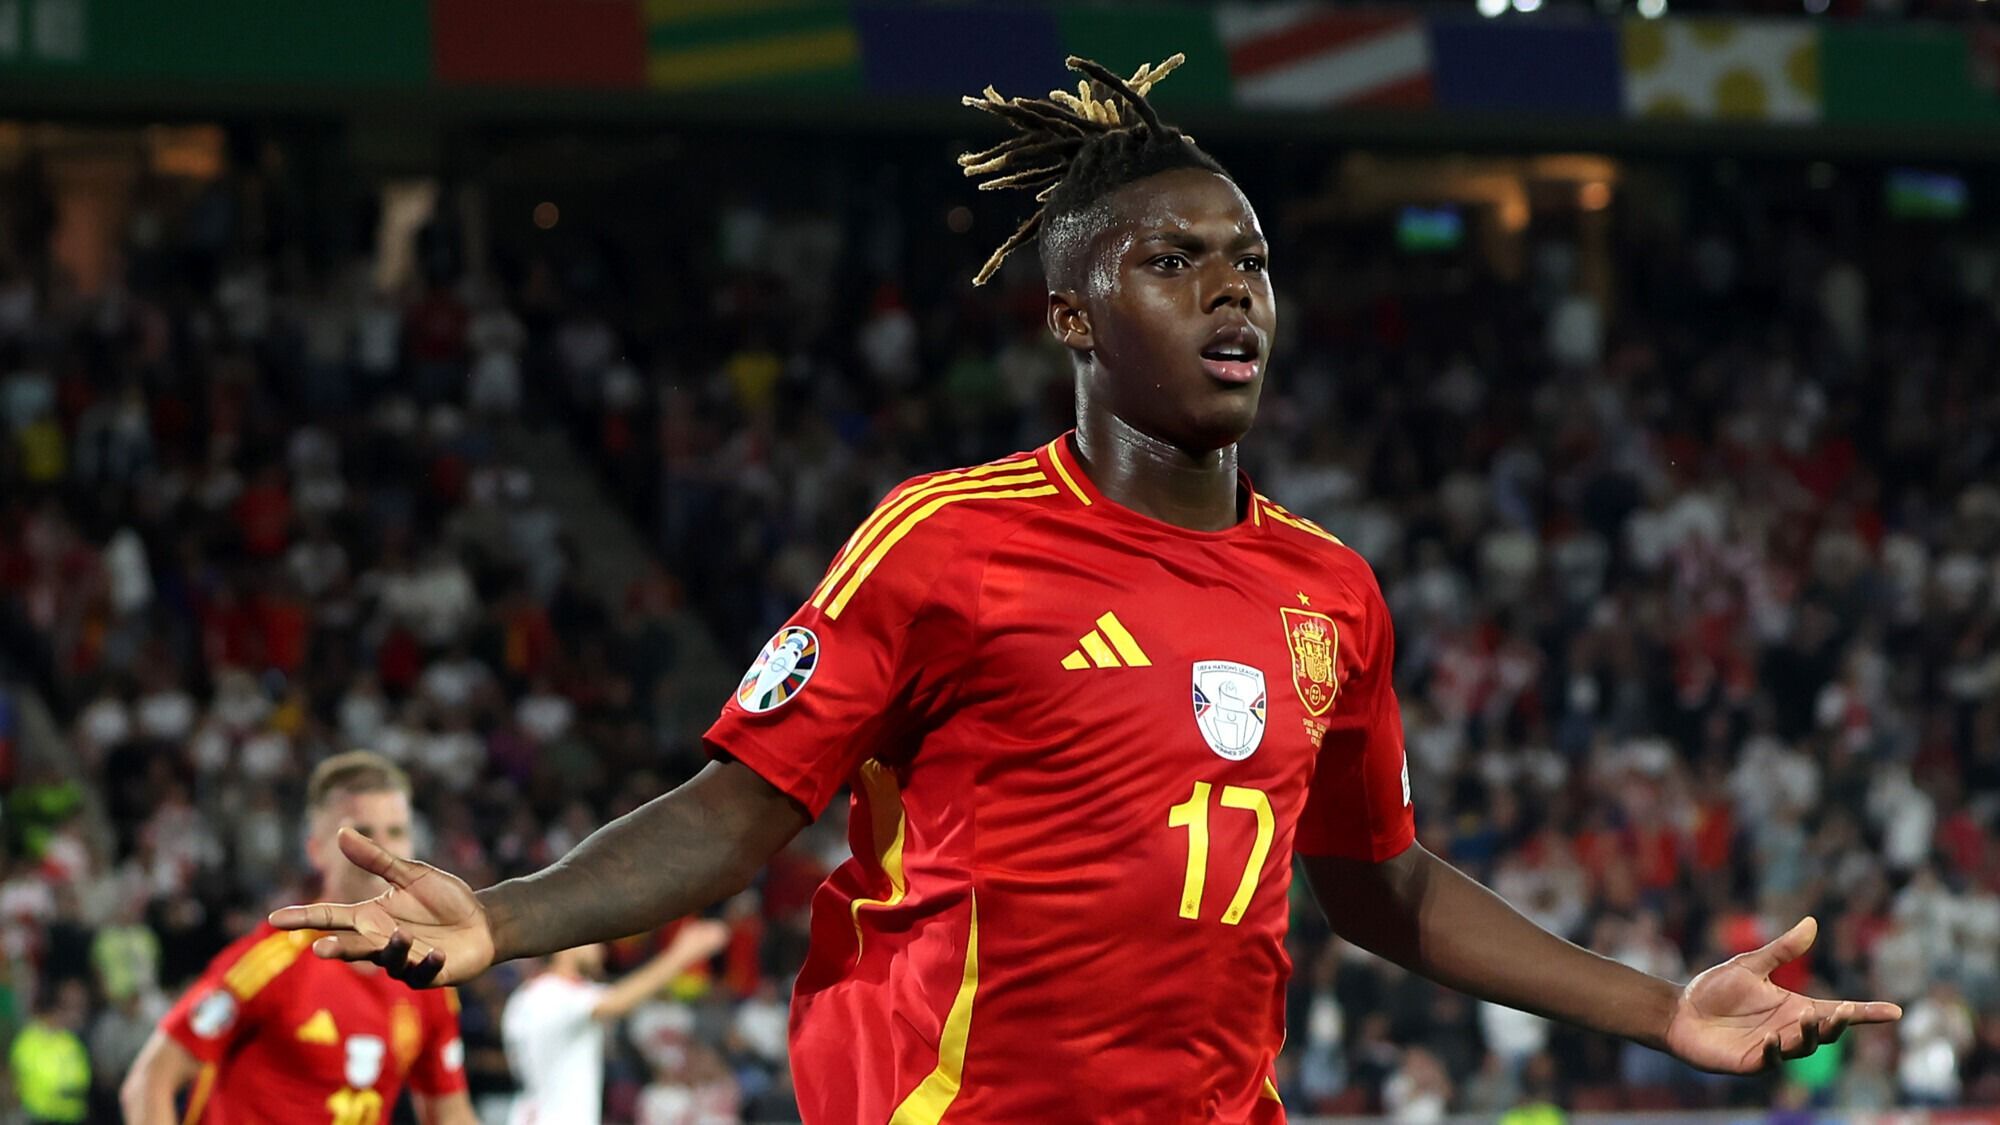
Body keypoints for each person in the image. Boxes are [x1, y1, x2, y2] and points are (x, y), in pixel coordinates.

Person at [272, 54, 1900, 1123]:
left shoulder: (1331, 589)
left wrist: (1660, 1011)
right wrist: (505, 917)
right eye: (1172, 260)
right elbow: (738, 809)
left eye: (1250, 260)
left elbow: (1378, 884)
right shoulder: (945, 541)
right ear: (1071, 319)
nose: (1230, 290)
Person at [123, 752, 475, 1125]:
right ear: (316, 851)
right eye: (363, 833)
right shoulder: (273, 961)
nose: (382, 849)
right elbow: (150, 1081)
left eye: (397, 832)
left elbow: (450, 1113)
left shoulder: (426, 979)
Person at [502, 918, 732, 1125]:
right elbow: (618, 1001)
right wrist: (682, 954)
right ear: (565, 945)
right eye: (592, 939)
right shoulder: (553, 994)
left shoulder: (527, 997)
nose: (601, 947)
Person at [10, 977, 91, 1125]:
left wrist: (70, 1088)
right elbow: (21, 1076)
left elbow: (82, 1075)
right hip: (39, 1117)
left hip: (71, 1115)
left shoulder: (69, 1040)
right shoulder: (27, 1041)